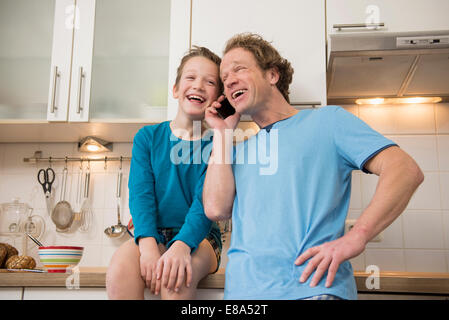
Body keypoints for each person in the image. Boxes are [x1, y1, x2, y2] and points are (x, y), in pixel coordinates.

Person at [203, 33, 424, 300]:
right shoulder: (236, 149)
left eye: (239, 69)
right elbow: (216, 209)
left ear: (272, 75)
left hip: (311, 291)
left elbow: (404, 169)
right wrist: (222, 132)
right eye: (225, 78)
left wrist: (358, 236)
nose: (229, 81)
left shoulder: (328, 122)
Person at [106, 46, 223, 300]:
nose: (199, 85)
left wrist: (181, 246)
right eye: (190, 78)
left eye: (210, 82)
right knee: (119, 269)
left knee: (177, 279)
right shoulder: (147, 138)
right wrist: (147, 245)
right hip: (153, 233)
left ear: (218, 98)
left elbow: (203, 205)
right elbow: (141, 195)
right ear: (175, 89)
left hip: (200, 239)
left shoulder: (218, 144)